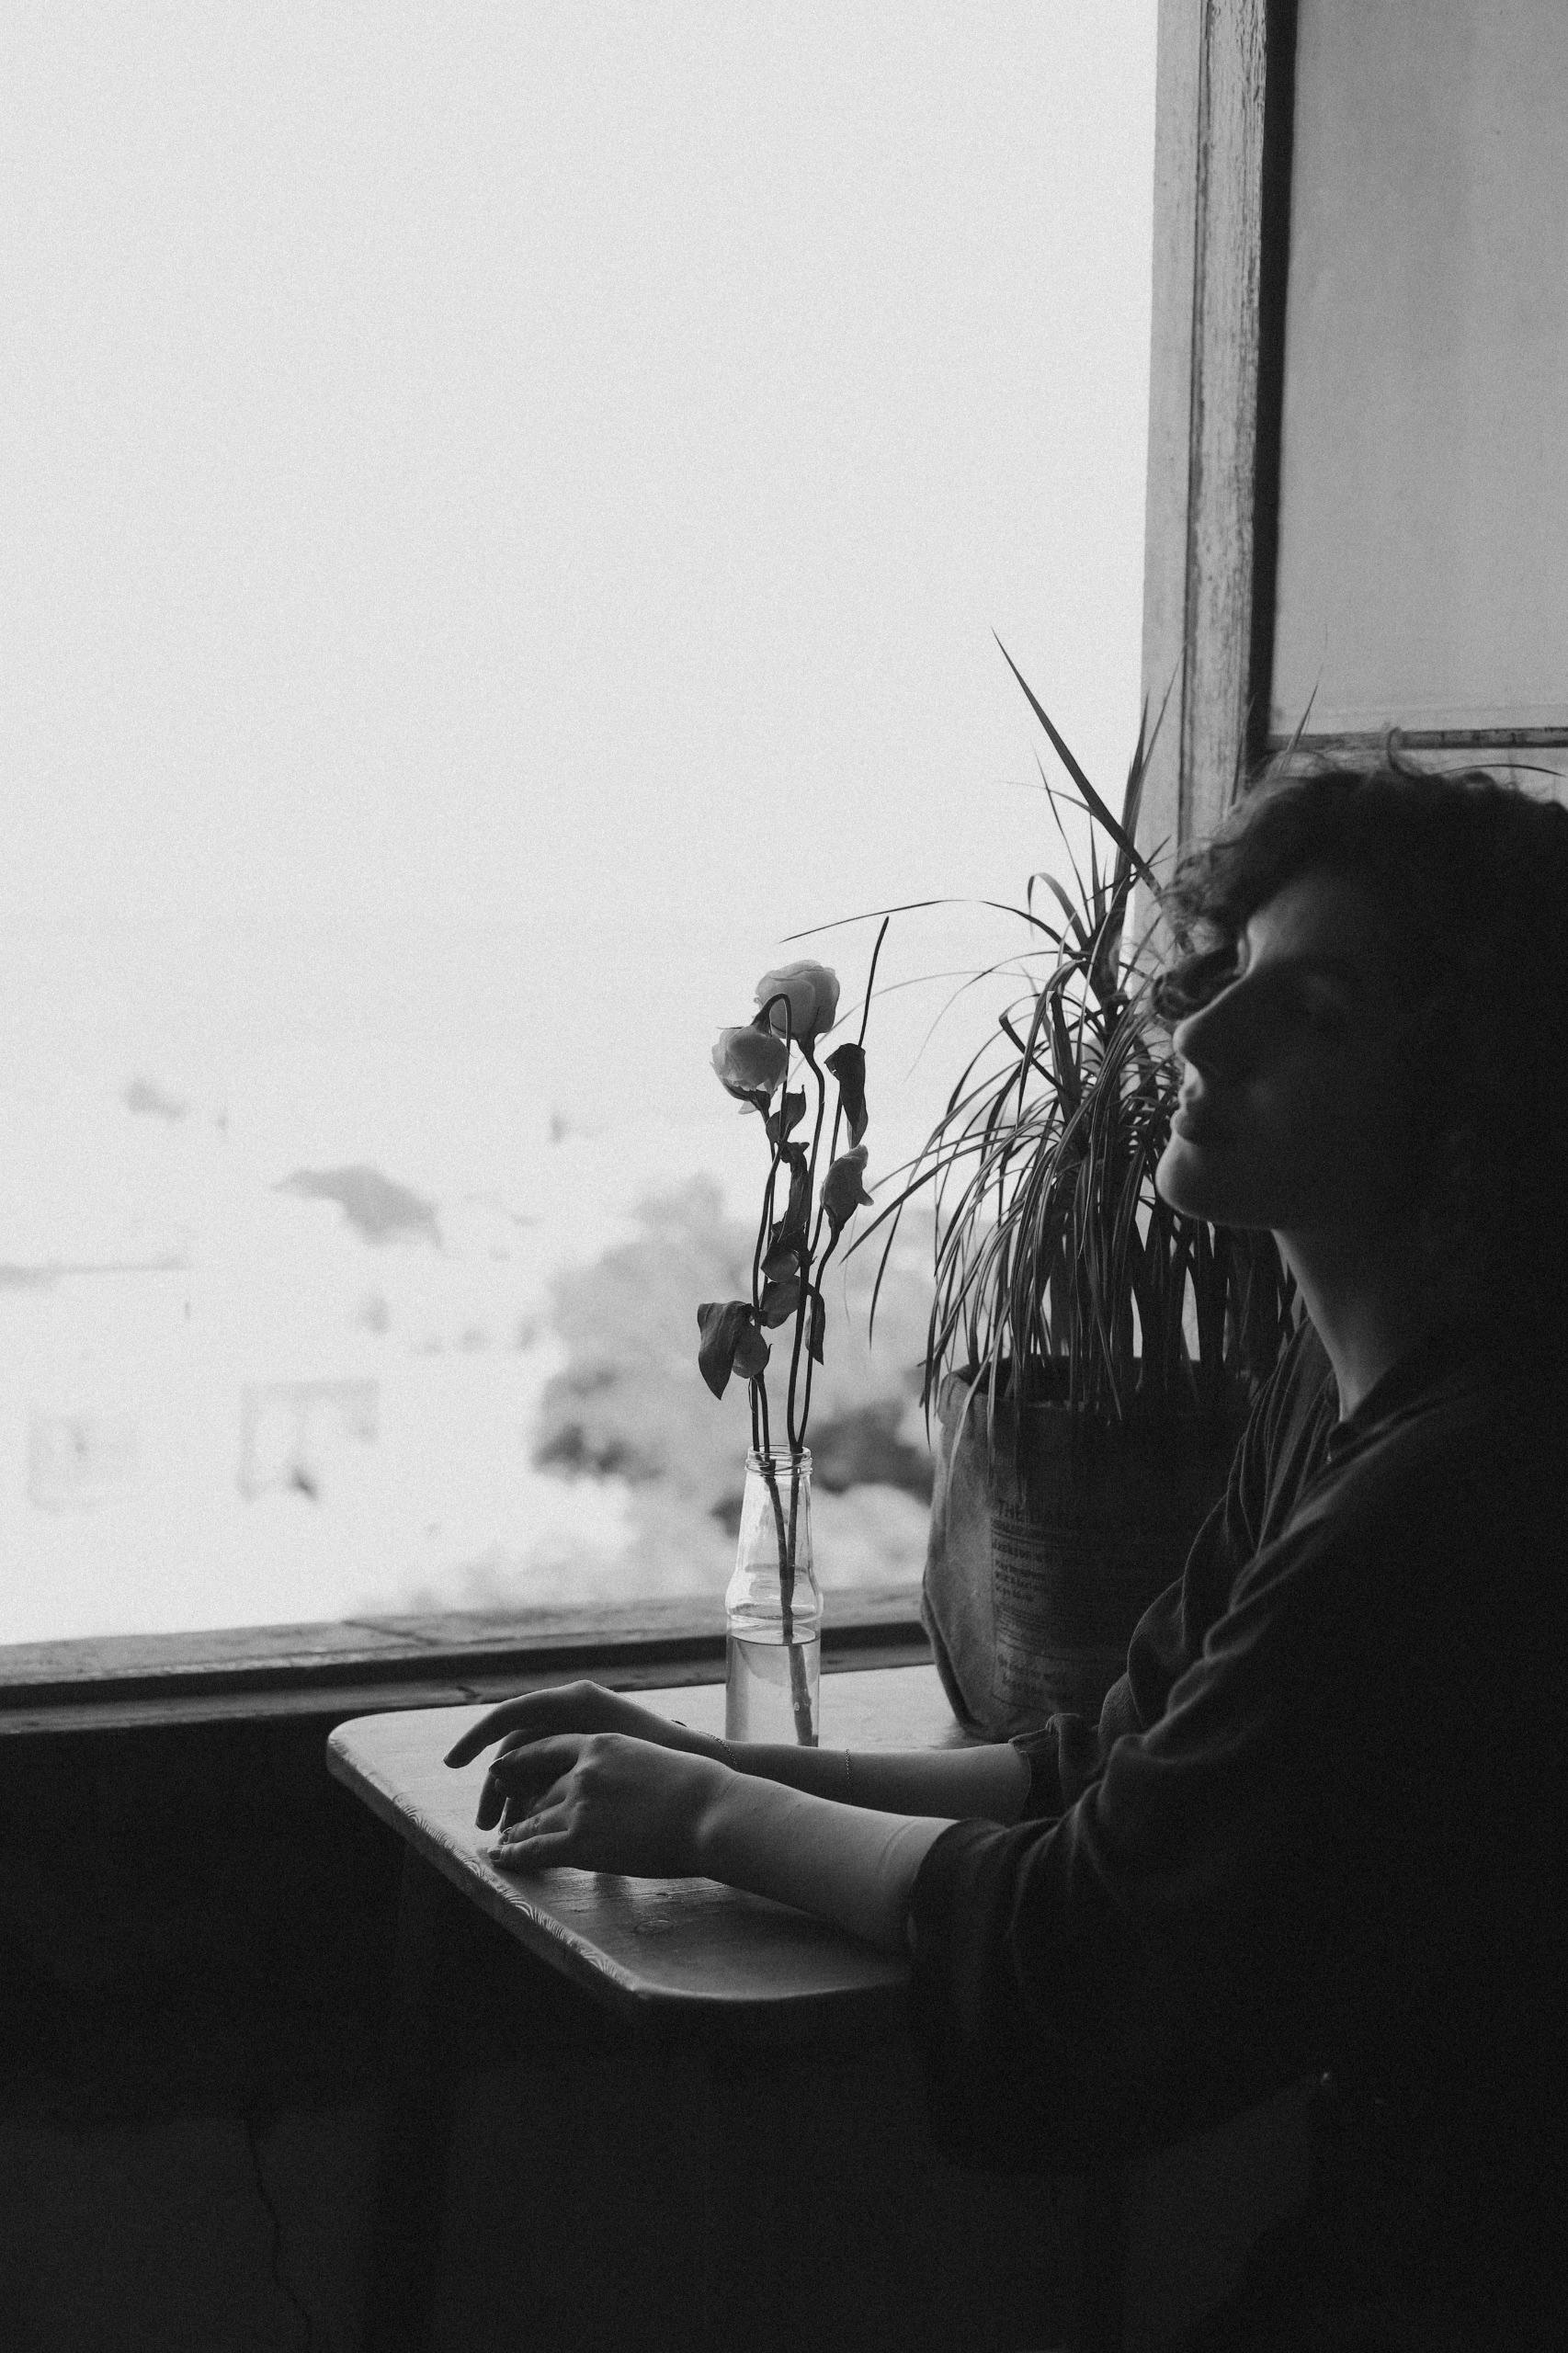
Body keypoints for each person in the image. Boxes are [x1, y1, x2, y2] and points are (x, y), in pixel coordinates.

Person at [445, 750, 1568, 2345]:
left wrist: (704, 1814)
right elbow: (1106, 1767)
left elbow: (1085, 1945)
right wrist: (709, 1757)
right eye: (1236, 971)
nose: (1202, 1033)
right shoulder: (1336, 1398)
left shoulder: (1456, 1496)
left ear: (1478, 1105)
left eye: (1311, 1013)